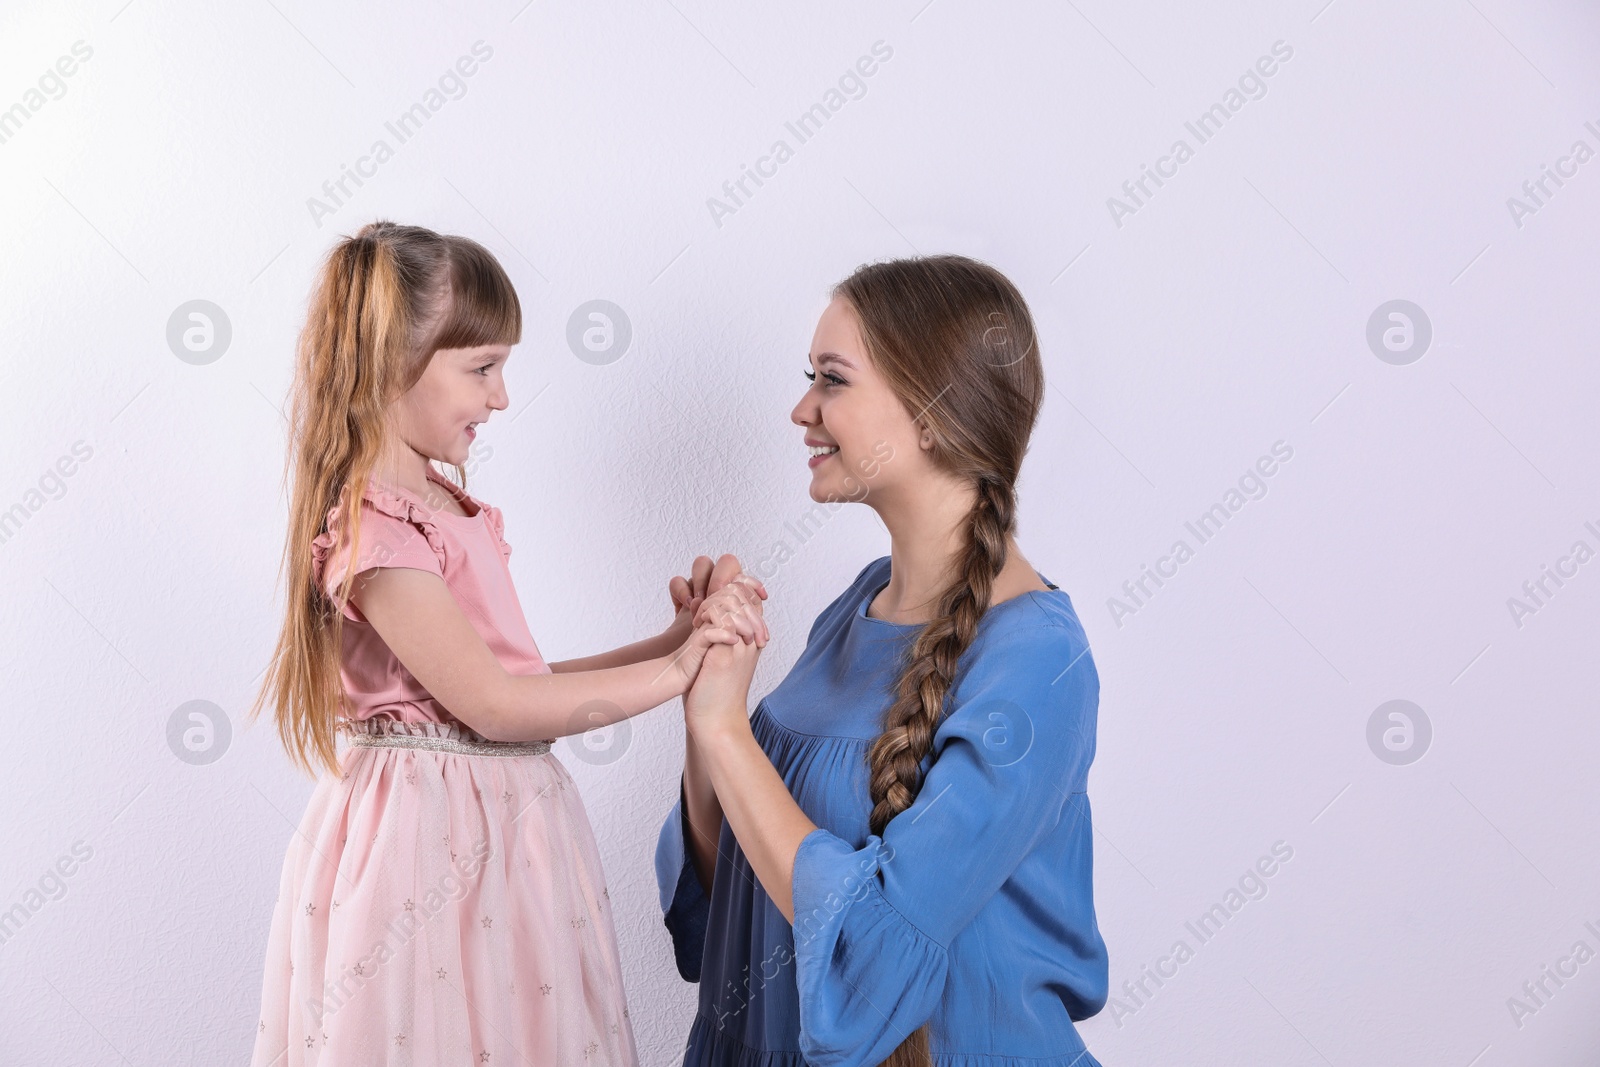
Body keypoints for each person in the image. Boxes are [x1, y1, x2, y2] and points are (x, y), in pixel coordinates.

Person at [246, 219, 768, 1066]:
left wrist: (667, 640)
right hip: (433, 843)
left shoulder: (443, 506)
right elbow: (495, 707)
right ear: (388, 361)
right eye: (482, 367)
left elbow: (514, 680)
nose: (501, 396)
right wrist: (677, 672)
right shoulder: (378, 533)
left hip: (500, 835)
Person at [656, 254, 1109, 1066]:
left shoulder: (1039, 663)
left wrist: (729, 732)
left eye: (832, 379)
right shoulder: (857, 606)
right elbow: (741, 889)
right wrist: (704, 702)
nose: (802, 409)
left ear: (933, 413)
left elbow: (870, 947)